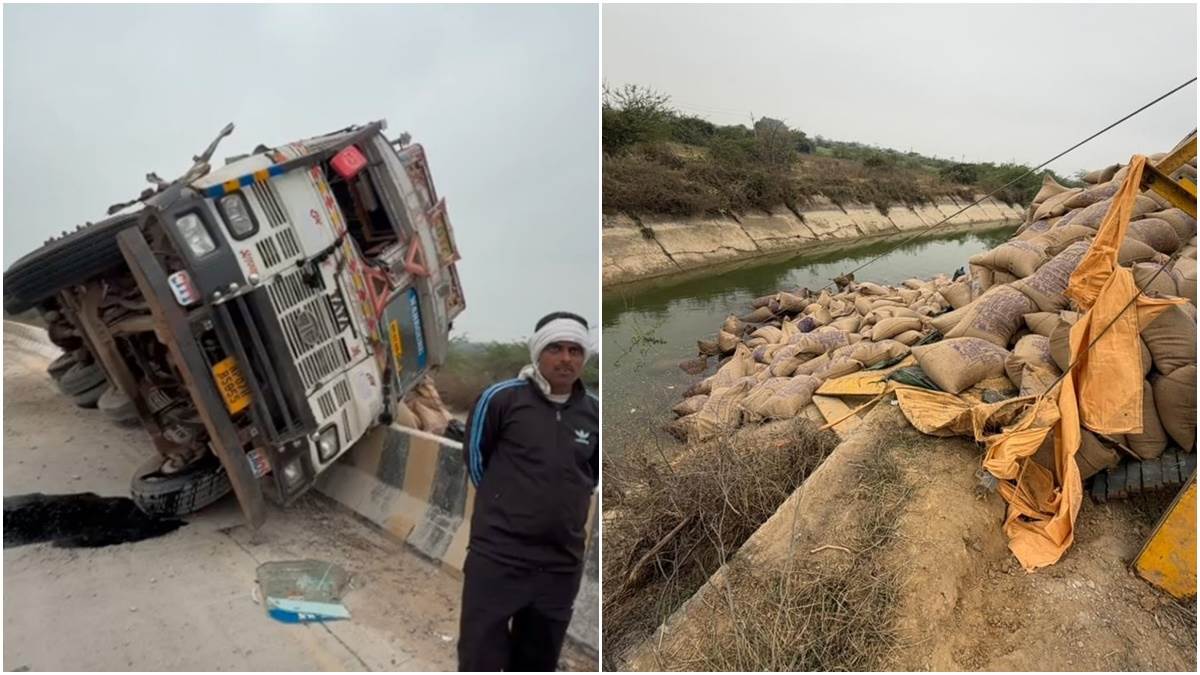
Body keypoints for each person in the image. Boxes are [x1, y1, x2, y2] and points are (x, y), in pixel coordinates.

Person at [457, 310, 599, 672]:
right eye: (555, 348)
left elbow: (592, 474)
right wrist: (508, 506)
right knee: (479, 656)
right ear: (537, 352)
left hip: (560, 562)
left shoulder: (594, 412)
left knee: (538, 661)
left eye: (574, 350)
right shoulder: (501, 399)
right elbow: (477, 464)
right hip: (498, 557)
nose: (566, 358)